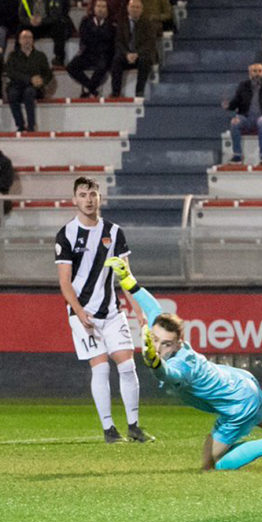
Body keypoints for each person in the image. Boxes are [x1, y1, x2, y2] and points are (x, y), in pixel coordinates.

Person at [107, 257, 262, 470]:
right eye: (156, 341)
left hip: (237, 404)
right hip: (241, 382)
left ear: (180, 342)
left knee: (212, 464)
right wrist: (128, 280)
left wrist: (153, 361)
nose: (159, 347)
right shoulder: (166, 332)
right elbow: (152, 308)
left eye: (166, 344)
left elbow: (168, 374)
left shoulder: (183, 365)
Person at [54, 178, 153, 444]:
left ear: (100, 198)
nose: (88, 199)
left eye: (93, 194)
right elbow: (64, 282)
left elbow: (126, 275)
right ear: (74, 199)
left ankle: (134, 426)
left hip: (111, 311)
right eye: (83, 194)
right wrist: (79, 311)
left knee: (127, 364)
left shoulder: (115, 232)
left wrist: (138, 311)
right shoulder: (67, 234)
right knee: (100, 368)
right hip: (82, 313)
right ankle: (109, 429)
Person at [223, 62, 262, 165]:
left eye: (259, 71)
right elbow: (236, 102)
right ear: (249, 73)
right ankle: (237, 155)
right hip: (246, 117)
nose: (257, 74)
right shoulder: (243, 86)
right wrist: (228, 106)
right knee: (235, 122)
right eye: (254, 71)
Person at [5, 29, 52, 132]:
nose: (27, 40)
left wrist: (42, 81)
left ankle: (31, 125)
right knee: (12, 94)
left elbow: (48, 73)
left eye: (29, 38)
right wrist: (29, 79)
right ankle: (20, 125)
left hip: (34, 88)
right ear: (19, 40)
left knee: (29, 93)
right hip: (17, 85)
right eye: (24, 38)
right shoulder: (13, 56)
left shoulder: (40, 56)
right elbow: (10, 72)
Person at [67, 0, 116, 98]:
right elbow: (85, 37)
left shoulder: (111, 24)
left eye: (103, 7)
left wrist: (95, 33)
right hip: (87, 53)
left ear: (107, 9)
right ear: (94, 8)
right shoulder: (85, 21)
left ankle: (88, 90)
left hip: (103, 54)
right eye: (98, 6)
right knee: (71, 67)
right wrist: (99, 34)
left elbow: (108, 38)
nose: (100, 9)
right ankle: (92, 88)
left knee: (103, 67)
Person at [18, 0, 70, 67]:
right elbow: (21, 16)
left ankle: (59, 57)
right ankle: (20, 56)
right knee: (20, 29)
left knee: (59, 26)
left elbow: (56, 16)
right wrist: (30, 21)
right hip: (32, 26)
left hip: (48, 25)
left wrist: (42, 21)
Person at [111, 0, 154, 98]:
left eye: (137, 7)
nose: (135, 9)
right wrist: (127, 54)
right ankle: (115, 93)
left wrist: (136, 54)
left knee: (145, 60)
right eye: (133, 7)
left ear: (142, 9)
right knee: (116, 60)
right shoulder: (121, 22)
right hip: (125, 53)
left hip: (140, 54)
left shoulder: (147, 23)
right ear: (128, 8)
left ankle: (139, 91)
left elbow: (149, 42)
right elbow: (118, 41)